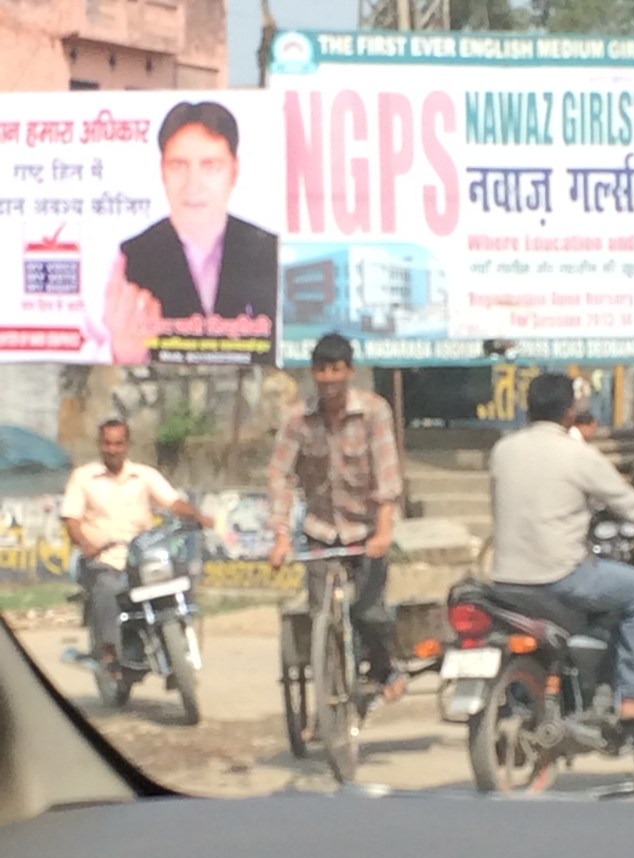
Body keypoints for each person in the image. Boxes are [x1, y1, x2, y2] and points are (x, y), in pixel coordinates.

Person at [491, 373, 634, 741]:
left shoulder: (502, 450)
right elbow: (630, 503)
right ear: (571, 412)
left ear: (529, 408)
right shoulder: (580, 456)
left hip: (505, 580)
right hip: (558, 578)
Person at [268, 332, 407, 707]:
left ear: (349, 371)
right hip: (321, 530)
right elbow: (281, 475)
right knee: (320, 619)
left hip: (365, 531)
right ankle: (327, 709)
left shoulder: (374, 411)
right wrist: (281, 536)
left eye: (336, 369)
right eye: (321, 370)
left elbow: (387, 476)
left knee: (370, 612)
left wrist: (384, 530)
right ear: (313, 373)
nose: (328, 378)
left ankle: (382, 668)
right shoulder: (298, 419)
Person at [103, 100, 278, 366]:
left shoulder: (267, 249)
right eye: (179, 166)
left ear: (234, 171)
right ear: (162, 171)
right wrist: (126, 353)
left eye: (210, 167)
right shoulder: (135, 256)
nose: (193, 185)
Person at [61, 418, 213, 673]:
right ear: (100, 445)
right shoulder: (83, 477)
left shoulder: (144, 475)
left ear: (127, 445)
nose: (113, 449)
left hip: (141, 557)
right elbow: (71, 519)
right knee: (107, 587)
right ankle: (109, 654)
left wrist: (197, 516)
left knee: (179, 576)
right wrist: (86, 544)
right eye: (107, 443)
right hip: (104, 559)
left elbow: (172, 502)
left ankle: (180, 634)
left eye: (118, 443)